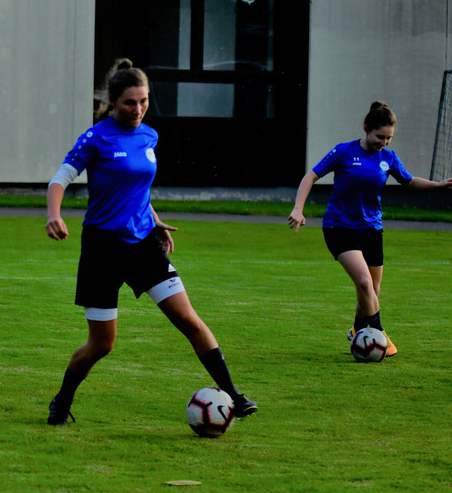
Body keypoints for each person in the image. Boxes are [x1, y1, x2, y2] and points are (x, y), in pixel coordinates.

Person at [44, 58, 257, 425]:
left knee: (189, 320)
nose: (138, 109)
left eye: (143, 101)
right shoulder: (96, 138)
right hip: (102, 249)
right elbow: (59, 181)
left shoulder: (149, 136)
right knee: (102, 344)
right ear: (113, 101)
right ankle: (61, 401)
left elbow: (137, 189)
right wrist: (54, 214)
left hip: (144, 244)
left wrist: (155, 221)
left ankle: (234, 396)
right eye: (130, 102)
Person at [288, 101, 452, 356]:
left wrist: (438, 185)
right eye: (379, 136)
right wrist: (298, 209)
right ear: (366, 128)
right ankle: (379, 333)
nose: (384, 142)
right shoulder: (344, 151)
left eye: (389, 138)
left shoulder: (389, 158)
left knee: (373, 291)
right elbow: (310, 177)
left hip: (372, 230)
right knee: (364, 283)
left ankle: (357, 330)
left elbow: (409, 182)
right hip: (339, 227)